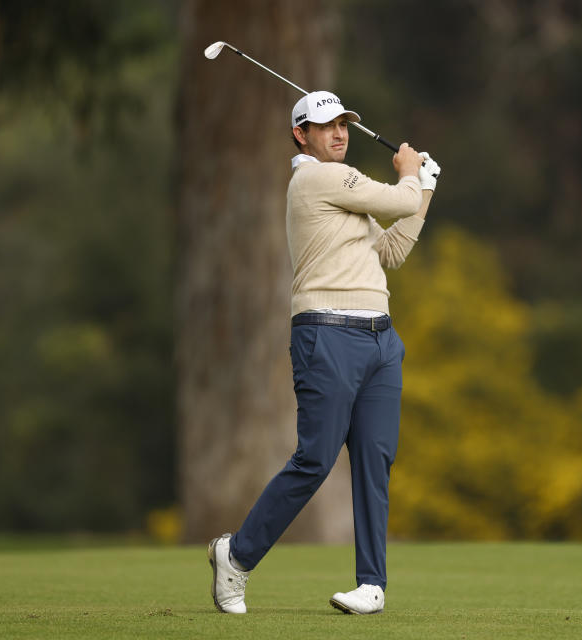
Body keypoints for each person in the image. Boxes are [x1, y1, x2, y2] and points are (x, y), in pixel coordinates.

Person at [207, 90, 440, 615]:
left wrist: (425, 189)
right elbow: (397, 200)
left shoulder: (347, 191)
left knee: (375, 463)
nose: (339, 133)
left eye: (344, 125)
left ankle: (371, 585)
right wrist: (409, 172)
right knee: (314, 459)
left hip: (381, 337)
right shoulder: (316, 178)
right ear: (301, 135)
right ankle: (235, 556)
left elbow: (393, 250)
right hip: (326, 334)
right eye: (326, 125)